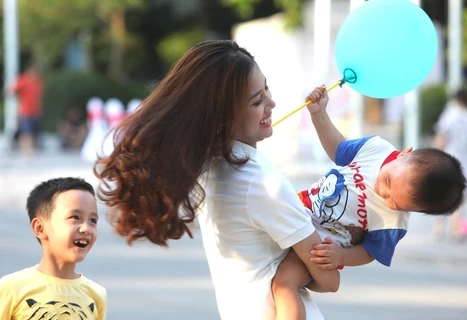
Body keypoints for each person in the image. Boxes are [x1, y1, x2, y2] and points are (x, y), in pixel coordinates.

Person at [94, 39, 339, 320]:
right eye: (257, 100)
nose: (272, 103)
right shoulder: (261, 180)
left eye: (266, 89)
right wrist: (288, 278)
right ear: (222, 117)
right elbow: (330, 280)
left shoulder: (207, 167)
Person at [271, 85, 467, 320]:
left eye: (393, 202)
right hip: (299, 210)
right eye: (387, 180)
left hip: (319, 248)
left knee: (284, 284)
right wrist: (319, 115)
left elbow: (369, 251)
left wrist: (340, 257)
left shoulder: (393, 223)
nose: (382, 191)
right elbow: (338, 149)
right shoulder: (376, 148)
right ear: (404, 153)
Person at [0, 177, 107, 319]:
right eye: (75, 217)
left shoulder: (96, 294)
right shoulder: (11, 288)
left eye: (93, 220)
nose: (86, 228)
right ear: (40, 228)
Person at [433, 89, 467, 240]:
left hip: (452, 159)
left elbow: (441, 139)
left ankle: (456, 229)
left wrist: (434, 157)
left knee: (454, 194)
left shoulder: (450, 116)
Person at [8, 64, 44, 157]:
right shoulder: (23, 80)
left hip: (35, 111)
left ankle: (30, 149)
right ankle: (26, 151)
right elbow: (11, 90)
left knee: (32, 132)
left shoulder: (37, 82)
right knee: (26, 132)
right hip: (25, 111)